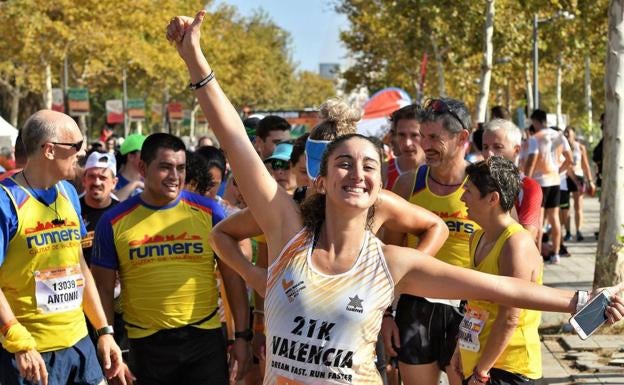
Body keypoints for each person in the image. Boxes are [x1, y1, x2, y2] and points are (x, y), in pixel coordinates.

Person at [167, 12, 624, 385]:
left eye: (369, 166)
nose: (358, 173)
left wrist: (583, 298)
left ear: (378, 188)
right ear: (322, 180)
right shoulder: (288, 235)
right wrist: (195, 60)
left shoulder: (390, 263)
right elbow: (235, 141)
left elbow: (502, 289)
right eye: (344, 163)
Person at [90, 133, 251, 385]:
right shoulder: (112, 221)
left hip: (204, 341)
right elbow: (102, 288)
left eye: (181, 168)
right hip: (146, 346)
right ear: (143, 168)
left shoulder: (211, 213)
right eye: (165, 167)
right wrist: (106, 337)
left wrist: (242, 336)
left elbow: (233, 277)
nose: (175, 176)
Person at [0, 110, 123, 385]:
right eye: (76, 146)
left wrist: (104, 331)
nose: (82, 152)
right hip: (31, 355)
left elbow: (79, 266)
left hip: (80, 347)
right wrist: (17, 339)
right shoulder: (5, 201)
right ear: (49, 150)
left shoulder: (68, 193)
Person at [384, 97, 479, 385]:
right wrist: (386, 314)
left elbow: (504, 252)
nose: (425, 145)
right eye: (422, 136)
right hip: (416, 305)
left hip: (470, 306)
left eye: (434, 137)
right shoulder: (408, 184)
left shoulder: (485, 186)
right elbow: (391, 255)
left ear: (462, 137)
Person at [451, 157, 544, 385]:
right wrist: (460, 348)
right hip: (480, 363)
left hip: (509, 369)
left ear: (493, 198)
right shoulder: (478, 236)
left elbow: (510, 317)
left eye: (469, 192)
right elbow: (475, 304)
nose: (462, 198)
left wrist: (481, 372)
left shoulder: (516, 244)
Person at [481, 119, 542, 245]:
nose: (489, 153)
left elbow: (527, 238)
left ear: (517, 150)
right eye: (485, 147)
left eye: (498, 147)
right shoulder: (474, 182)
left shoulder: (528, 187)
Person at [525, 109, 573, 264]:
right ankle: (556, 253)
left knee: (538, 220)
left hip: (540, 182)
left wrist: (526, 179)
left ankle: (537, 254)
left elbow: (532, 159)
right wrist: (558, 171)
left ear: (536, 121)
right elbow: (569, 159)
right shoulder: (559, 136)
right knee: (554, 218)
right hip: (555, 181)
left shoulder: (535, 138)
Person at [80, 152, 119, 265]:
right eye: (92, 176)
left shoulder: (123, 213)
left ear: (114, 182)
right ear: (84, 180)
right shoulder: (71, 209)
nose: (97, 182)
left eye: (103, 178)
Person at [562, 126, 595, 241]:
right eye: (565, 133)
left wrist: (590, 180)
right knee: (565, 207)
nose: (566, 135)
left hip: (578, 176)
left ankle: (579, 231)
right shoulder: (562, 147)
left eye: (568, 133)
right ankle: (568, 232)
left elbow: (585, 165)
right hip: (565, 178)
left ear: (574, 135)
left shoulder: (580, 147)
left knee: (578, 206)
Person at [384, 104, 425, 189]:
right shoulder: (383, 172)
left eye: (414, 135)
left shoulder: (438, 175)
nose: (407, 143)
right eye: (402, 135)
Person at [114, 134, 146, 201]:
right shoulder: (114, 182)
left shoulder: (150, 180)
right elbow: (114, 203)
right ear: (131, 157)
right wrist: (135, 184)